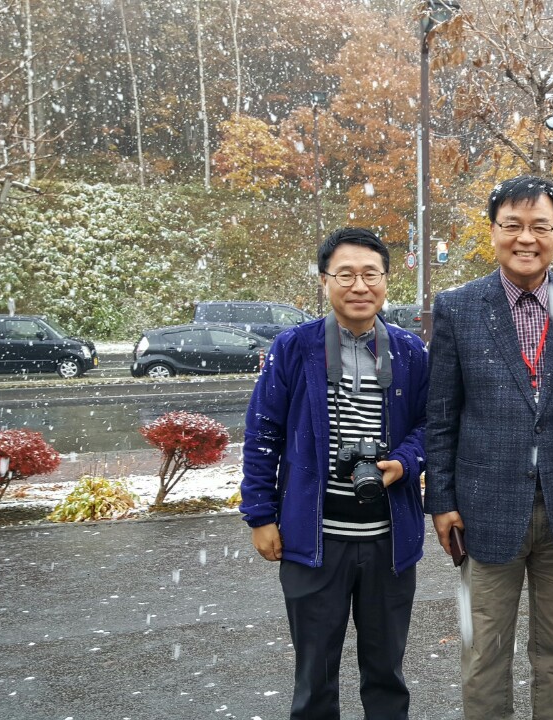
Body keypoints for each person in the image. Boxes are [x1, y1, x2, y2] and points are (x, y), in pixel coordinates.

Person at [425, 174, 553, 720]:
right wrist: (442, 500)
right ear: (493, 231)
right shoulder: (458, 307)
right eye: (512, 225)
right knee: (483, 655)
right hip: (483, 510)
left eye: (540, 226)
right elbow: (441, 415)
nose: (526, 238)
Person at [240, 227, 428, 720]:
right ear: (324, 281)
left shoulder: (409, 351)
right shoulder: (293, 347)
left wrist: (405, 461)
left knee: (387, 675)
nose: (359, 286)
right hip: (314, 539)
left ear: (386, 280)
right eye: (345, 275)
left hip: (389, 541)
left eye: (371, 274)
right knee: (314, 678)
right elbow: (262, 433)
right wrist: (260, 515)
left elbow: (432, 425)